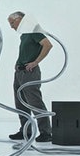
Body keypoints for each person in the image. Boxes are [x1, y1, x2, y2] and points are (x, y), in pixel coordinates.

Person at [7, 11, 53, 142]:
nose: (11, 26)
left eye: (12, 23)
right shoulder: (24, 35)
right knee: (20, 102)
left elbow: (48, 45)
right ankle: (25, 130)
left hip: (30, 73)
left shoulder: (34, 31)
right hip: (20, 72)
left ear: (20, 19)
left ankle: (46, 132)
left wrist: (35, 62)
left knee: (34, 102)